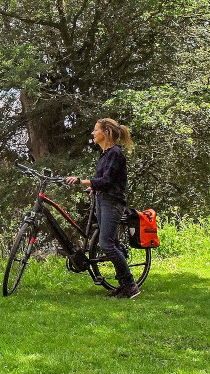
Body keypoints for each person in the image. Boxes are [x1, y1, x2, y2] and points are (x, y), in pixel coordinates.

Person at [66, 118, 140, 299]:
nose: (93, 133)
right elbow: (106, 180)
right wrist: (94, 187)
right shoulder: (105, 154)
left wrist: (82, 181)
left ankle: (131, 285)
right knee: (112, 244)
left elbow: (107, 180)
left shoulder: (115, 153)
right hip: (102, 200)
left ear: (106, 132)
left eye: (95, 130)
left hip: (112, 203)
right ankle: (123, 287)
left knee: (106, 245)